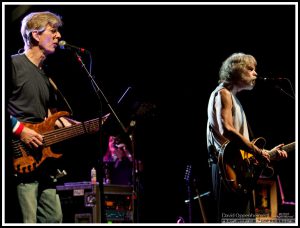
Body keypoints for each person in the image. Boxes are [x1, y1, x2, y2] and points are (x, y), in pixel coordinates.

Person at [7, 11, 78, 223]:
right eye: (53, 31)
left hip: (43, 160)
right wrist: (20, 130)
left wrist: (74, 125)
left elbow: (48, 117)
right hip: (19, 156)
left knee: (53, 218)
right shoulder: (12, 65)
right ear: (36, 35)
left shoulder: (45, 76)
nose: (58, 36)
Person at [206, 52, 288, 223]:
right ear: (235, 70)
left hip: (238, 172)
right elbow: (226, 130)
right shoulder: (223, 93)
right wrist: (256, 151)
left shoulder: (234, 99)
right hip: (227, 171)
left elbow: (241, 146)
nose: (255, 73)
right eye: (250, 69)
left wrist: (267, 153)